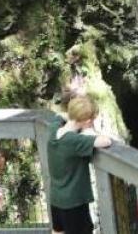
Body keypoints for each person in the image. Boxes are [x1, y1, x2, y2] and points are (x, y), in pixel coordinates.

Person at [47, 94, 113, 234]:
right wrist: (89, 132)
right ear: (88, 121)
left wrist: (73, 118)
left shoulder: (54, 130)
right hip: (74, 203)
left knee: (58, 231)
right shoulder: (75, 141)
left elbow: (59, 116)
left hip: (56, 199)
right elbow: (105, 141)